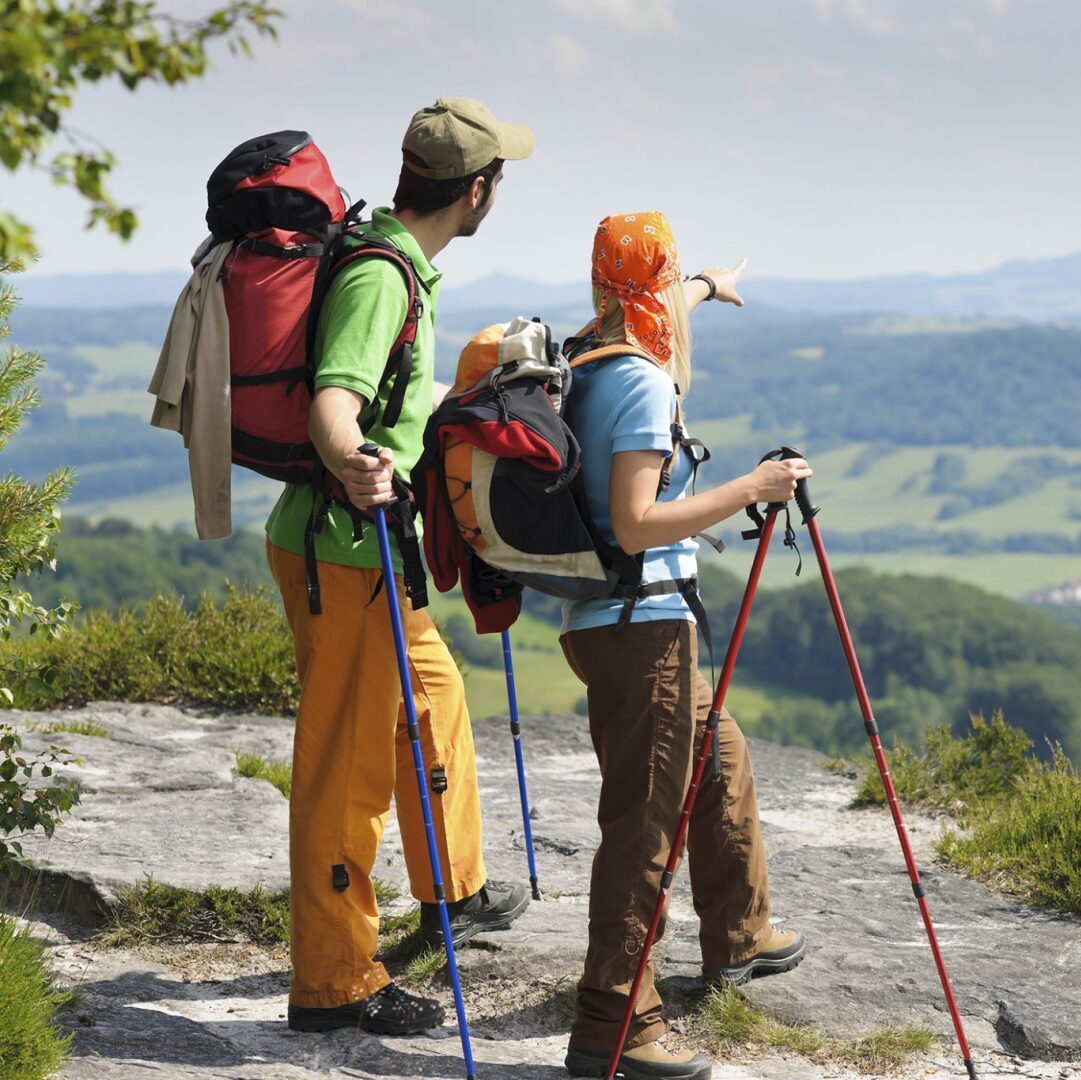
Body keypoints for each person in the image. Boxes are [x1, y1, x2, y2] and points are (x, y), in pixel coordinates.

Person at [263, 97, 535, 1036]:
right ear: (477, 191)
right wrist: (356, 460)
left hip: (374, 550)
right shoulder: (382, 277)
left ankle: (452, 889)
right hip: (344, 550)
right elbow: (335, 400)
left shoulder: (398, 259)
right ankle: (334, 982)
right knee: (347, 765)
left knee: (433, 699)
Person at [558, 212, 813, 1080]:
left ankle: (738, 936)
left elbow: (658, 306)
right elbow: (634, 523)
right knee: (642, 829)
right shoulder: (639, 384)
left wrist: (708, 283)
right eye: (672, 284)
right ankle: (614, 1027)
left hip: (608, 623)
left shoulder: (589, 350)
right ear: (650, 289)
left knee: (720, 749)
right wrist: (755, 485)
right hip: (642, 627)